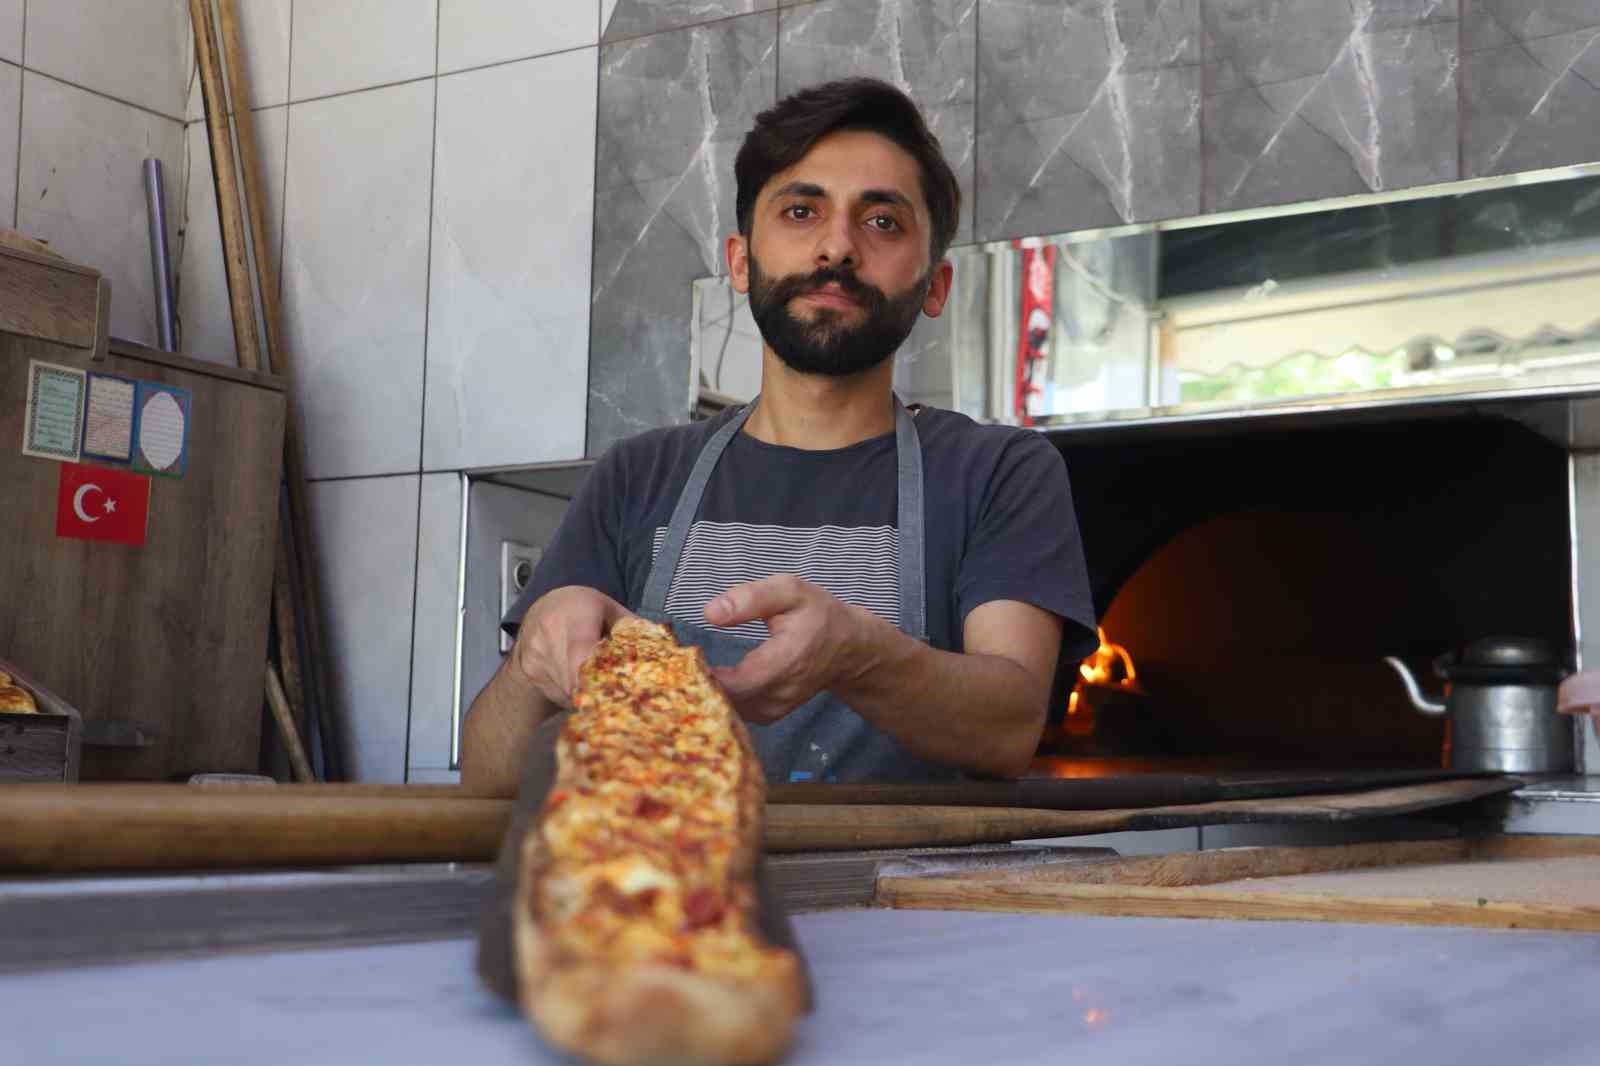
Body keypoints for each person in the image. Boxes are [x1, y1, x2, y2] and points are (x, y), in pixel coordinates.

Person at [462, 77, 1096, 792]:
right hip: (668, 894)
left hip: (911, 901)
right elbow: (486, 781)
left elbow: (1010, 727)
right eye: (801, 211)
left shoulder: (997, 471)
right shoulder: (638, 475)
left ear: (936, 286)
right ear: (740, 261)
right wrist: (532, 670)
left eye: (882, 222)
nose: (837, 247)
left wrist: (859, 656)